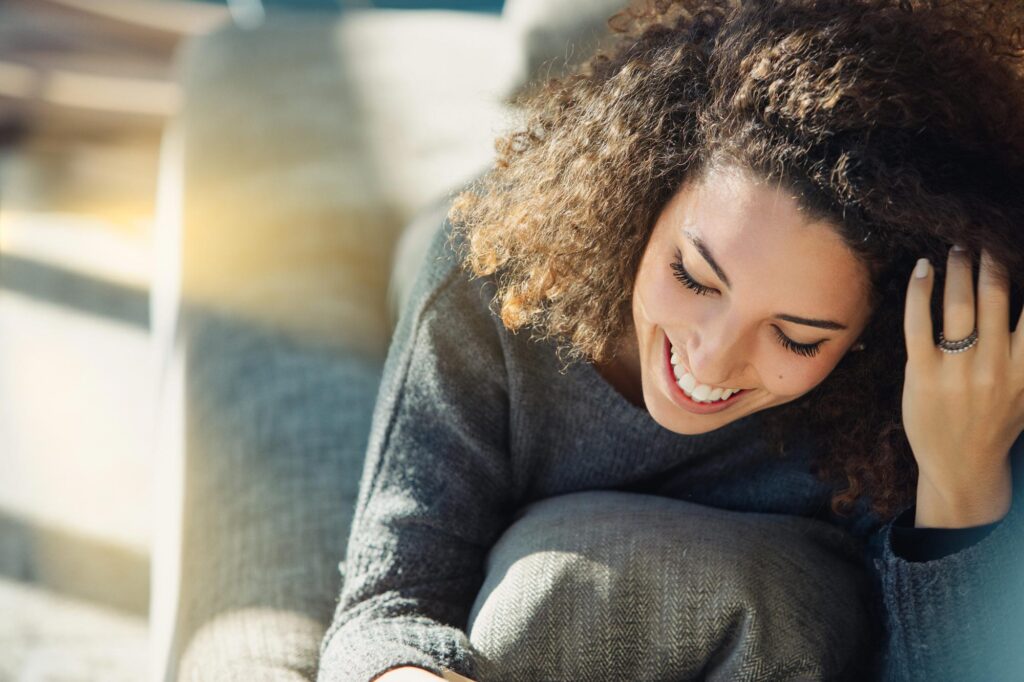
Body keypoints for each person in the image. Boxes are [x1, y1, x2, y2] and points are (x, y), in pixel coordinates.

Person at [317, 0, 1024, 680]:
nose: (710, 359)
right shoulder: (490, 284)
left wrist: (960, 480)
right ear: (647, 196)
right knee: (429, 241)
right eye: (693, 277)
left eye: (796, 338)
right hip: (485, 224)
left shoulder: (915, 398)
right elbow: (385, 608)